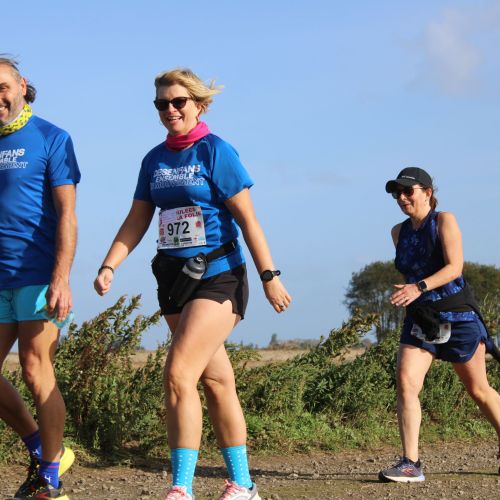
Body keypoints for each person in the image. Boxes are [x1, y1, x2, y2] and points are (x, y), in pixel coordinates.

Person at [94, 68, 291, 500]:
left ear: (199, 105)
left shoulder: (216, 151)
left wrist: (269, 276)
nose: (169, 109)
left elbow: (248, 219)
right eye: (161, 103)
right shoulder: (154, 160)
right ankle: (243, 485)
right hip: (173, 279)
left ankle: (181, 488)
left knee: (178, 373)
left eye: (178, 101)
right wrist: (110, 264)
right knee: (216, 381)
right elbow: (137, 218)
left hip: (219, 275)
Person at [378, 167, 500, 483]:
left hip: (457, 315)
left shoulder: (444, 220)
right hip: (422, 317)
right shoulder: (398, 232)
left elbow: (454, 268)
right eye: (397, 193)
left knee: (478, 390)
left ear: (428, 192)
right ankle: (410, 464)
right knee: (406, 382)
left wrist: (418, 287)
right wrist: (411, 292)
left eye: (408, 191)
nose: (402, 198)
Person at [0, 56, 80, 499]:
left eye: (2, 87)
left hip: (37, 274)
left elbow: (67, 213)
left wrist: (61, 277)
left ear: (21, 85)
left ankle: (50, 481)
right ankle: (43, 448)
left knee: (35, 367)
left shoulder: (52, 137)